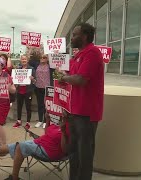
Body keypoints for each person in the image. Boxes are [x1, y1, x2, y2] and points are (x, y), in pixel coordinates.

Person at [57, 23, 104, 180]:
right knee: (73, 153)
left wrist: (63, 78)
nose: (72, 37)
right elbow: (69, 80)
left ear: (84, 36)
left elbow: (81, 80)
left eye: (75, 34)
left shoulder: (93, 53)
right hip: (74, 111)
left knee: (84, 155)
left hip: (87, 114)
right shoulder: (78, 56)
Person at [0, 114, 69, 180]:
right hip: (39, 143)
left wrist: (64, 132)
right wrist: (47, 120)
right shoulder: (58, 125)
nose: (62, 113)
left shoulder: (69, 128)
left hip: (48, 151)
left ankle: (14, 177)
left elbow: (65, 150)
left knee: (20, 147)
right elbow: (48, 132)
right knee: (14, 145)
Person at [13, 55, 36, 129]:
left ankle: (28, 123)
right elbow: (15, 81)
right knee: (19, 106)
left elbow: (35, 81)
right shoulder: (18, 69)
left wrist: (32, 79)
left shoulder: (31, 69)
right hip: (19, 90)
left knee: (28, 107)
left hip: (28, 90)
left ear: (27, 60)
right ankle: (19, 121)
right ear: (20, 60)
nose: (23, 60)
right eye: (22, 59)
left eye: (25, 59)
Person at [34, 54, 51, 129]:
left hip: (46, 88)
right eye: (41, 57)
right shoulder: (37, 65)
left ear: (47, 59)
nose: (42, 59)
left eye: (44, 57)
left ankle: (45, 121)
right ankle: (40, 120)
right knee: (40, 104)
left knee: (46, 105)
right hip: (38, 87)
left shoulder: (50, 66)